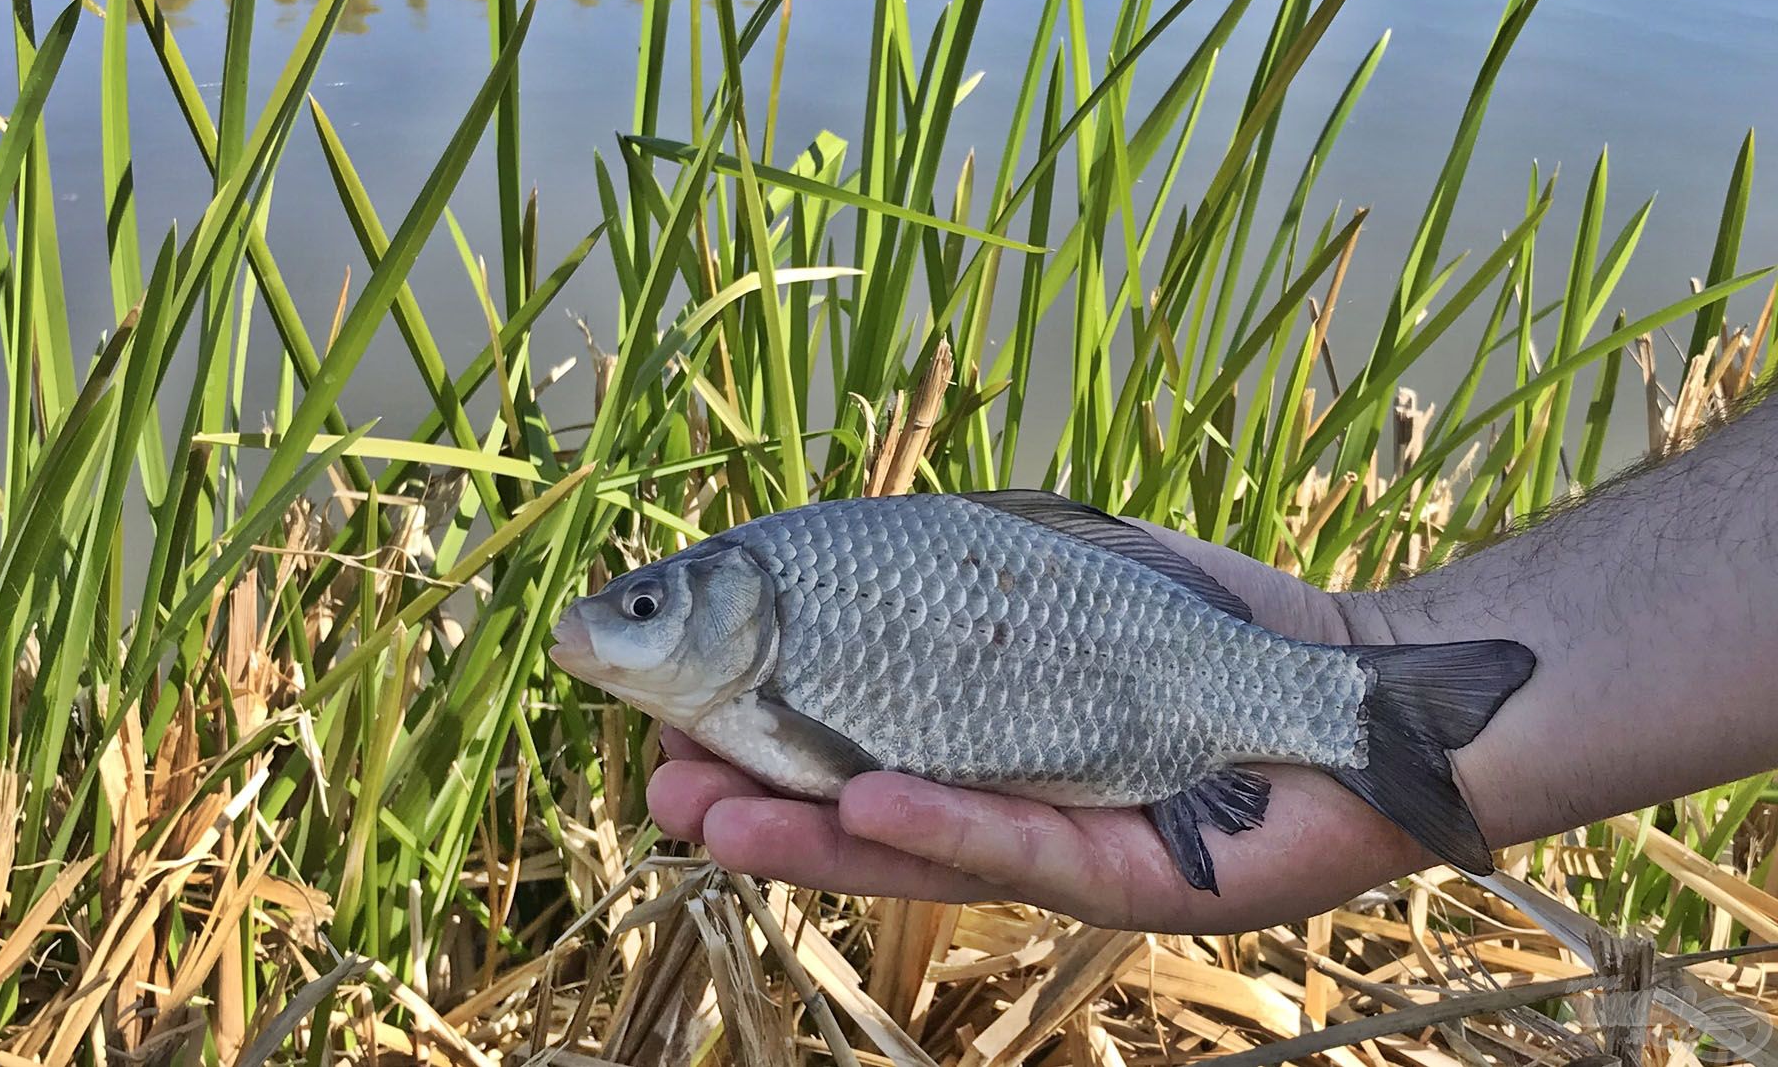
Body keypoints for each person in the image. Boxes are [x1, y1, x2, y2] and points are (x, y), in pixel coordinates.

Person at [645, 388, 1778, 934]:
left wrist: (1352, 659)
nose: (616, 630)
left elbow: (826, 759)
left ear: (742, 611)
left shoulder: (780, 655)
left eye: (647, 607)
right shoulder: (788, 620)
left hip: (1175, 692)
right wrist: (1355, 644)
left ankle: (1369, 713)